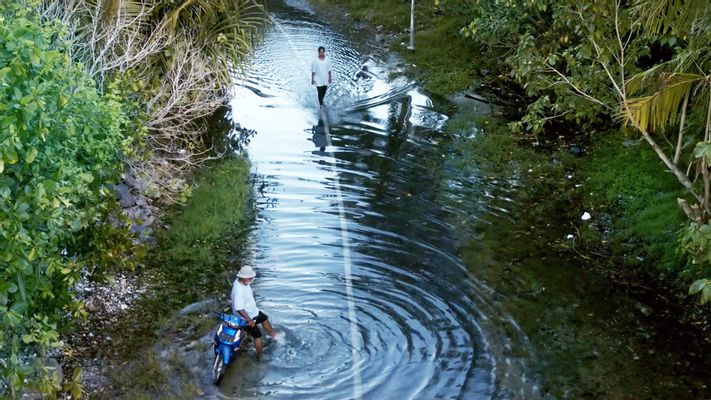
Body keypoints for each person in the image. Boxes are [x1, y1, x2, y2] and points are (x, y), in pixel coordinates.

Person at [231, 265, 276, 359]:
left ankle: (274, 336)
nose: (251, 279)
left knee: (265, 319)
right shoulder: (239, 290)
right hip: (246, 318)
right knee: (257, 335)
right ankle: (260, 355)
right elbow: (239, 308)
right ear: (243, 277)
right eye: (250, 277)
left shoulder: (242, 282)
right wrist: (249, 320)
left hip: (254, 312)